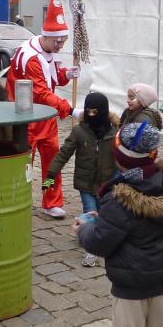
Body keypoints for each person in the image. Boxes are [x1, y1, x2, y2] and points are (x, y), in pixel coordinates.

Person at [75, 122, 163, 327]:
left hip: (131, 285)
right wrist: (106, 218)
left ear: (120, 159)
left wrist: (84, 230)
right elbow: (135, 224)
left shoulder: (120, 199)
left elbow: (100, 241)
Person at [6, 0, 81, 219]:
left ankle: (51, 200)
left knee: (52, 163)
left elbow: (51, 78)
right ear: (46, 36)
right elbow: (40, 92)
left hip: (45, 118)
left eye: (63, 41)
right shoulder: (30, 58)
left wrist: (65, 74)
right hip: (25, 117)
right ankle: (17, 198)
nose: (61, 46)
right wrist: (70, 110)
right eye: (58, 41)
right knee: (23, 164)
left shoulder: (49, 50)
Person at [47, 92, 117, 267]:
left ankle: (85, 230)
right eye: (88, 111)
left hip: (107, 184)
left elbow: (122, 159)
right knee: (90, 212)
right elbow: (63, 154)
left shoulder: (115, 133)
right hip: (85, 184)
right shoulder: (79, 131)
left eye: (95, 112)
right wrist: (49, 177)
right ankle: (91, 251)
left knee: (102, 215)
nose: (91, 115)